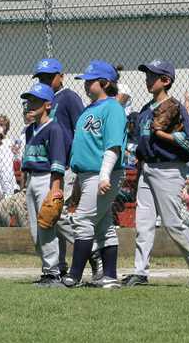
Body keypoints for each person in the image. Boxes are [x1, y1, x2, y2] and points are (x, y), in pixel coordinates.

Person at [123, 59, 189, 288]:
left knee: (172, 224)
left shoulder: (176, 108)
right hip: (147, 168)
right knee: (143, 224)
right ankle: (140, 272)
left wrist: (166, 135)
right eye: (148, 75)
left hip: (169, 169)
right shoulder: (145, 110)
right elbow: (140, 141)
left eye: (153, 76)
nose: (148, 79)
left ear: (166, 80)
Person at [33, 58, 101, 278]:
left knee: (58, 214)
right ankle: (60, 266)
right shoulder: (41, 100)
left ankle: (92, 250)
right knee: (50, 215)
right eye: (41, 78)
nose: (44, 81)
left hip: (66, 164)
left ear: (61, 77)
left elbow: (81, 129)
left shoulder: (68, 97)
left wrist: (78, 162)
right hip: (48, 165)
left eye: (49, 77)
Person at [63, 61, 127, 288]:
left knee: (83, 220)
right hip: (86, 174)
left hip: (102, 173)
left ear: (105, 83)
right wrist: (78, 181)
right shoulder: (89, 109)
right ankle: (109, 276)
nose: (86, 84)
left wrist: (104, 176)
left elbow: (113, 146)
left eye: (91, 81)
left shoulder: (113, 108)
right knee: (103, 225)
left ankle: (74, 275)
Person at [20, 83, 68, 286]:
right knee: (35, 231)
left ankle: (53, 273)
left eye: (36, 101)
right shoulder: (30, 130)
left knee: (46, 227)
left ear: (48, 105)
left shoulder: (54, 128)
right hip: (32, 179)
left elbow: (58, 161)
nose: (30, 104)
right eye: (29, 100)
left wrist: (55, 189)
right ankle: (48, 270)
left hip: (47, 179)